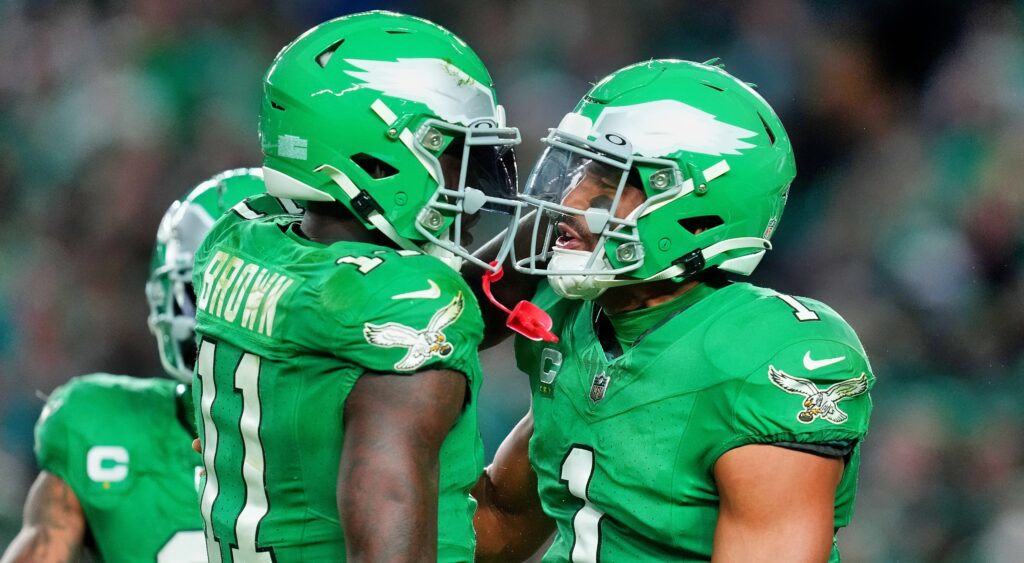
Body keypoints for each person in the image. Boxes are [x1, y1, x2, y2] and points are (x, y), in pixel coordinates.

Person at [472, 59, 874, 562]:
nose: (570, 198)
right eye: (576, 168)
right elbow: (501, 524)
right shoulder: (580, 318)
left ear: (695, 211)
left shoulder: (767, 354)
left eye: (610, 180)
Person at [190, 11, 520, 562]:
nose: (472, 186)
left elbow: (370, 324)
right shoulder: (406, 300)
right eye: (453, 152)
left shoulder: (239, 238)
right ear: (378, 158)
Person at [1, 168, 268, 563]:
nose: (227, 323)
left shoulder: (345, 438)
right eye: (206, 296)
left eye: (249, 300)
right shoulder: (101, 426)